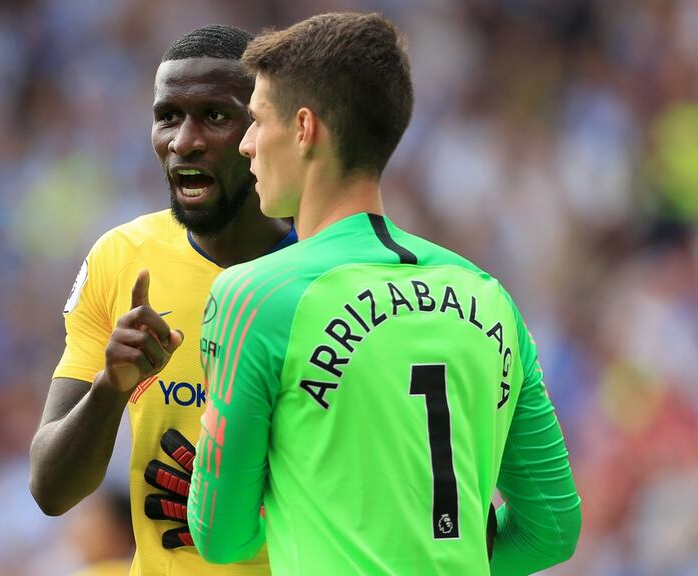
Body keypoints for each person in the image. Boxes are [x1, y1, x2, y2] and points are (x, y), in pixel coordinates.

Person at [187, 12, 581, 576]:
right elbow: (553, 527)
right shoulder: (488, 294)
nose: (245, 145)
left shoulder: (254, 296)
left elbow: (220, 536)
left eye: (255, 120)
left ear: (304, 129)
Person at [29, 25, 294, 576]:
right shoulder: (121, 259)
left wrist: (231, 488)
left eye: (215, 116)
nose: (183, 141)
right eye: (168, 116)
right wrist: (110, 387)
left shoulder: (332, 276)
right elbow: (51, 490)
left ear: (261, 130)